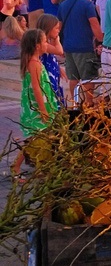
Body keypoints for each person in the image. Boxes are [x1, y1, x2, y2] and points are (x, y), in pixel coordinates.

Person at [13, 28, 58, 178]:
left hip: (37, 105)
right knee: (35, 139)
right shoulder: (34, 63)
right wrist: (43, 109)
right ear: (37, 46)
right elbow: (37, 88)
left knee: (40, 138)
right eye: (45, 41)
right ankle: (17, 166)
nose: (47, 44)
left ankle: (42, 168)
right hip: (37, 107)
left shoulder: (35, 61)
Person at [58, 0, 103, 105]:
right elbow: (94, 25)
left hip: (68, 47)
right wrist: (101, 40)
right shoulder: (87, 4)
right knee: (88, 78)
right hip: (84, 47)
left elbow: (58, 27)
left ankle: (76, 103)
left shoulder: (63, 5)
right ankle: (89, 103)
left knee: (73, 78)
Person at [36, 14, 66, 105]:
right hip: (46, 75)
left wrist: (58, 67)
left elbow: (52, 57)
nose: (59, 30)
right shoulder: (41, 42)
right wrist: (57, 40)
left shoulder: (47, 41)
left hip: (52, 73)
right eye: (56, 28)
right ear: (48, 28)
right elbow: (59, 51)